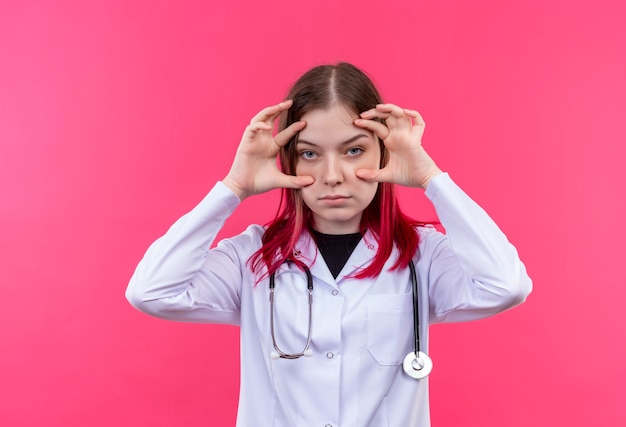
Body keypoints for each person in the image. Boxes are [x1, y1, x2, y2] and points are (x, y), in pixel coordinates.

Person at [126, 62, 532, 427]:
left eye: (353, 150)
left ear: (384, 152)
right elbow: (151, 291)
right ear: (289, 161)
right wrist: (232, 188)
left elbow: (506, 286)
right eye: (310, 154)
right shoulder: (251, 258)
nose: (333, 175)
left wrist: (431, 177)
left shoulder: (422, 256)